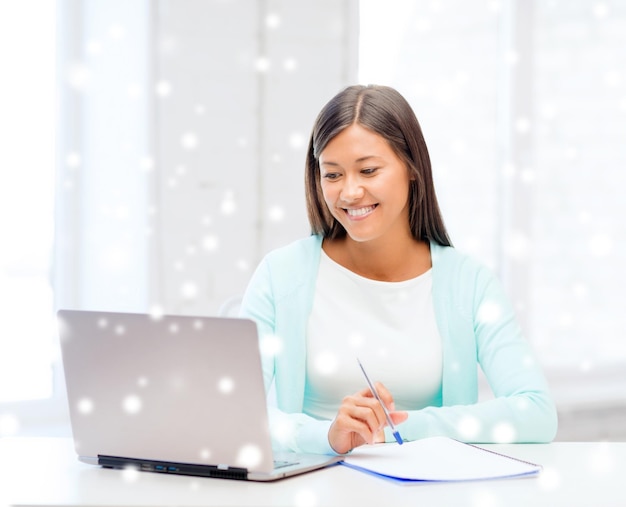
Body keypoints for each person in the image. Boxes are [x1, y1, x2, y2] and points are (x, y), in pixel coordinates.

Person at [240, 84, 558, 455]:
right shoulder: (280, 276)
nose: (350, 192)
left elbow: (536, 412)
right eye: (333, 175)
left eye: (369, 170)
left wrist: (400, 426)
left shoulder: (468, 284)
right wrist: (327, 436)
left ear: (411, 168)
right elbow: (239, 417)